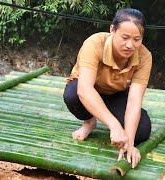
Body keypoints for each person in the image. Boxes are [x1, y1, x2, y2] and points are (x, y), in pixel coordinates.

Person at [63, 8, 152, 168]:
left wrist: (129, 143)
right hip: (89, 91)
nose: (130, 45)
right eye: (124, 37)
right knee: (72, 95)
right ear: (112, 30)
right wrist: (114, 125)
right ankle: (89, 122)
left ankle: (115, 125)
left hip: (116, 94)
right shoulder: (94, 44)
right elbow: (84, 90)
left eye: (137, 39)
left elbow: (134, 100)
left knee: (142, 130)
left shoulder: (145, 56)